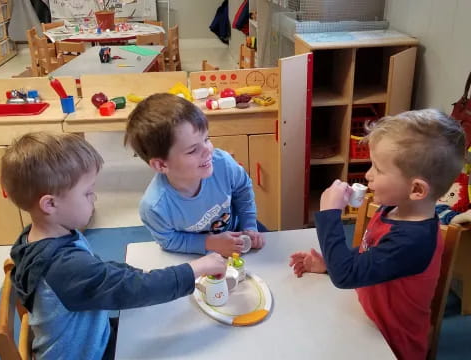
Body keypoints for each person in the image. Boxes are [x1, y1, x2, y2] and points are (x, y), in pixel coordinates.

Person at [1, 132, 227, 360]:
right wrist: (197, 268)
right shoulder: (62, 266)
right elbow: (133, 289)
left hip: (94, 334)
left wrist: (142, 273)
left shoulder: (37, 238)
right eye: (87, 193)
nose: (94, 198)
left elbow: (100, 272)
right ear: (50, 203)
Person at [289, 109, 465, 360]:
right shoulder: (392, 209)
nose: (368, 174)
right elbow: (372, 257)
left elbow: (346, 276)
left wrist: (330, 215)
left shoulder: (413, 241)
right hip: (363, 320)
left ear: (416, 189)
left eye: (379, 169)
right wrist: (329, 264)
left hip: (390, 345)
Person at [125, 93, 265, 257]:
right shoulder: (155, 207)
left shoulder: (223, 164)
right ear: (162, 164)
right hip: (198, 253)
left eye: (206, 139)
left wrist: (249, 226)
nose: (208, 150)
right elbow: (169, 240)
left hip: (240, 230)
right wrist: (210, 243)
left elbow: (243, 189)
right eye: (192, 150)